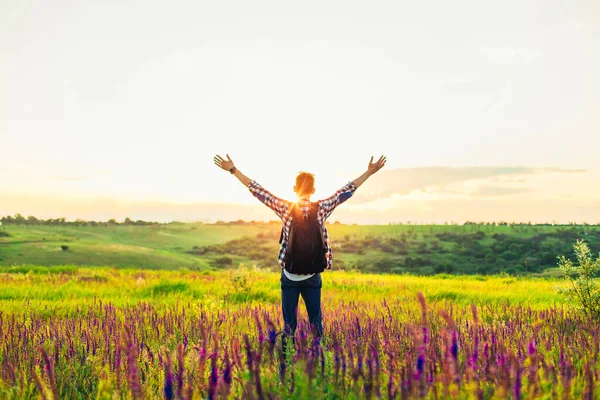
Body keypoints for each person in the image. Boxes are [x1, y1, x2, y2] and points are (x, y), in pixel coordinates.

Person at [213, 154, 386, 343]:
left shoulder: (285, 208)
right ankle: (318, 360)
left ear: (294, 189)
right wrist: (370, 172)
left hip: (289, 276)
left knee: (289, 325)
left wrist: (233, 170)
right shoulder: (323, 207)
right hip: (313, 275)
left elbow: (258, 190)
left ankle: (287, 360)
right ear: (313, 190)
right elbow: (347, 190)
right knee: (315, 322)